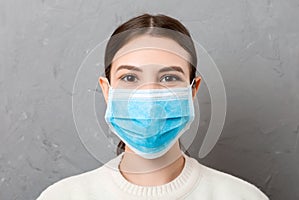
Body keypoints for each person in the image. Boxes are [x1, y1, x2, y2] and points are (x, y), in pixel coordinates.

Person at [37, 13, 269, 200]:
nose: (148, 96)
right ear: (107, 91)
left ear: (192, 90)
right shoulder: (62, 196)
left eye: (169, 78)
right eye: (130, 78)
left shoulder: (242, 196)